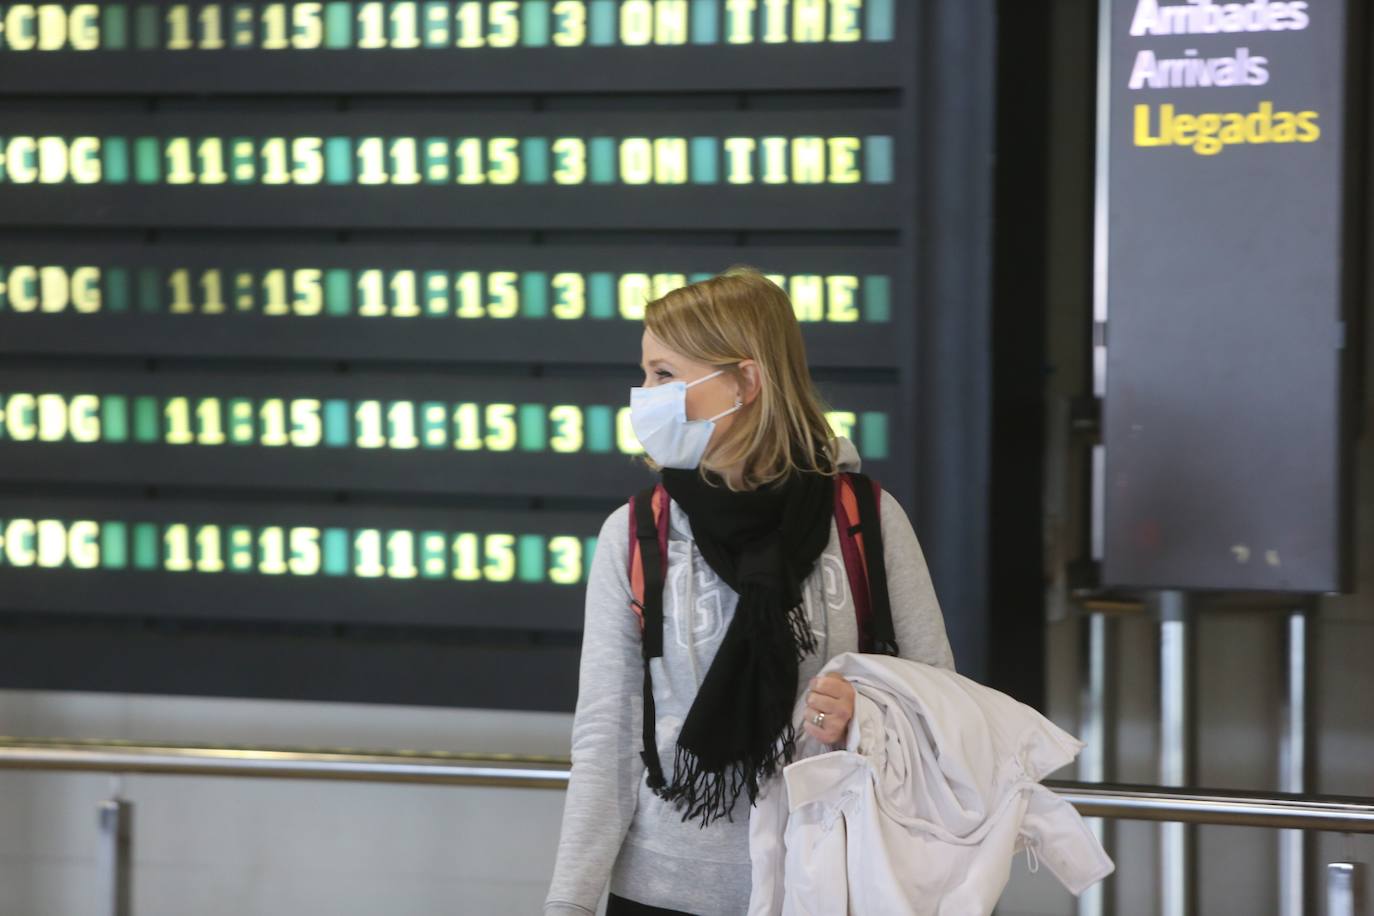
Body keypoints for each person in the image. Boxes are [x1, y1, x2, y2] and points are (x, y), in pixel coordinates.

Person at [544, 266, 956, 916]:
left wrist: (867, 710)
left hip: (838, 886)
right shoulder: (636, 534)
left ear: (744, 381)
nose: (643, 395)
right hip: (664, 893)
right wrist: (567, 905)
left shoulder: (864, 519)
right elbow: (606, 738)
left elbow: (941, 701)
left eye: (663, 374)